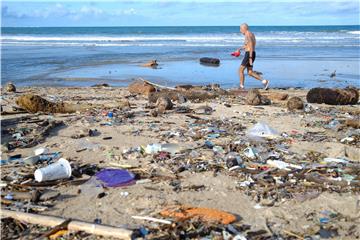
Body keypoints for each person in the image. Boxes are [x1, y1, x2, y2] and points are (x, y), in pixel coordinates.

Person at [235, 23, 269, 89]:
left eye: (240, 29)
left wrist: (250, 57)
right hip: (252, 53)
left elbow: (250, 46)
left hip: (249, 54)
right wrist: (239, 49)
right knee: (250, 72)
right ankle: (264, 81)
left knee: (240, 70)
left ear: (244, 28)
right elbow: (248, 45)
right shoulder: (251, 34)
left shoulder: (247, 34)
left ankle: (241, 86)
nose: (240, 31)